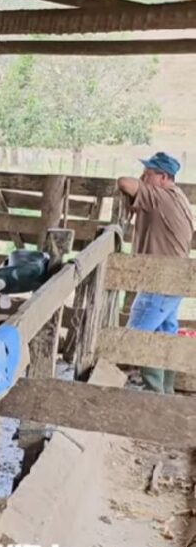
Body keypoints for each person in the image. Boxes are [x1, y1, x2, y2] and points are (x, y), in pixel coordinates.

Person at [117, 152, 194, 394]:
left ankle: (152, 391)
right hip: (174, 279)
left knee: (135, 337)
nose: (143, 177)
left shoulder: (160, 196)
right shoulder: (177, 195)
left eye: (148, 174)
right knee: (164, 334)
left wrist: (137, 189)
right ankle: (164, 393)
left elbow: (123, 182)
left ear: (163, 177)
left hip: (160, 279)